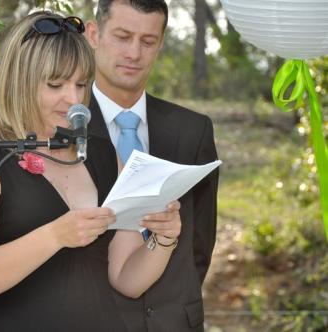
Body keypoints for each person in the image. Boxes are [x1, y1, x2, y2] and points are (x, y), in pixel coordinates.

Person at [0, 11, 182, 332]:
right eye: (56, 85)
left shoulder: (104, 155)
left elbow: (126, 280)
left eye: (81, 84)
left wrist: (164, 240)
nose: (74, 99)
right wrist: (55, 236)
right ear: (19, 82)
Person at [85, 1, 219, 331]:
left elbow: (200, 241)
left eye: (147, 41)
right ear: (94, 34)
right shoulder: (61, 129)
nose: (134, 53)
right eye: (122, 36)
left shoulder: (194, 130)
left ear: (160, 43)